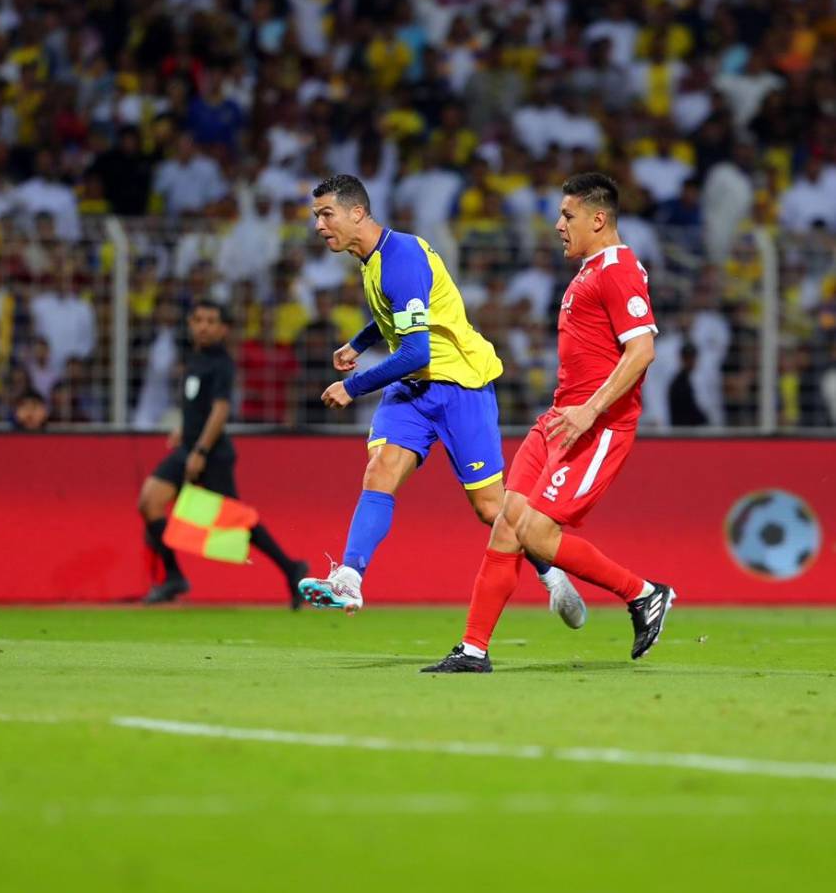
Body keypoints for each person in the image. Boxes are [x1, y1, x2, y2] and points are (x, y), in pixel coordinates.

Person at [297, 174, 585, 625]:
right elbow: (398, 313)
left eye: (325, 214)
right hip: (413, 389)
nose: (318, 225)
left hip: (459, 386)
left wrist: (351, 387)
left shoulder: (401, 258)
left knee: (491, 508)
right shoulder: (372, 258)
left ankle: (553, 576)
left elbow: (417, 351)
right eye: (316, 216)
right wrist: (359, 343)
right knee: (380, 470)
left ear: (357, 213)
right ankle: (349, 577)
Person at [422, 173, 676, 674]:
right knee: (507, 523)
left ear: (598, 219)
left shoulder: (618, 269)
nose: (558, 225)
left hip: (597, 424)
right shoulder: (589, 271)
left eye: (567, 215)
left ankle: (643, 593)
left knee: (537, 533)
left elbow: (642, 350)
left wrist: (590, 410)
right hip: (561, 418)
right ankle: (473, 649)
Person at [136, 299, 308, 606]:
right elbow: (198, 406)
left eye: (211, 321)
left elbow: (220, 410)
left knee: (236, 519)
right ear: (190, 323)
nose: (203, 326)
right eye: (198, 320)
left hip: (211, 454)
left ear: (224, 329)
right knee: (149, 502)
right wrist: (184, 430)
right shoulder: (195, 358)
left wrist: (200, 450)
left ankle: (291, 568)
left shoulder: (221, 364)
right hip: (190, 446)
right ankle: (173, 576)